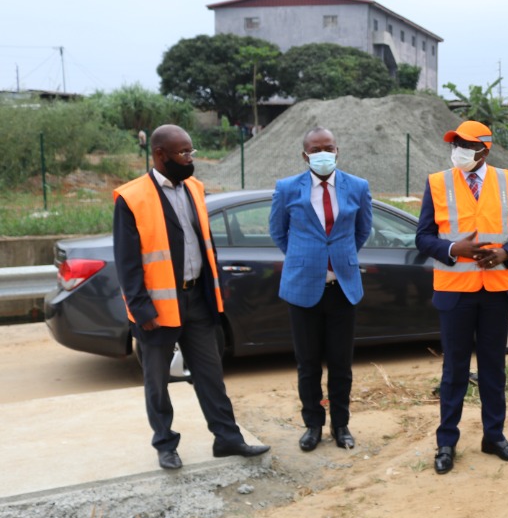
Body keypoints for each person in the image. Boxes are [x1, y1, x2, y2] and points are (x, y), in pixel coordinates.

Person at [113, 125, 270, 470]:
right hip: (157, 308)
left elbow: (203, 245)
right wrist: (141, 308)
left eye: (191, 151)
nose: (190, 158)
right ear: (159, 155)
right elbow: (127, 261)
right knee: (157, 381)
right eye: (183, 153)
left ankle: (227, 439)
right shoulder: (132, 197)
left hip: (197, 299)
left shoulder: (195, 189)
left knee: (210, 373)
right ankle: (165, 445)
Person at [415, 120, 508, 475]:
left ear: (485, 148)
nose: (458, 151)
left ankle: (494, 436)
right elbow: (423, 237)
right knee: (454, 370)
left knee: (493, 369)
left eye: (466, 144)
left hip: (498, 290)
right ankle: (446, 441)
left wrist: (506, 253)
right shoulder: (438, 182)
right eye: (455, 144)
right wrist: (455, 247)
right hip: (455, 292)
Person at [269, 126, 373, 452]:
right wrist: (306, 259)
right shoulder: (287, 189)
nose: (322, 153)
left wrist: (337, 257)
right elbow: (278, 232)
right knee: (308, 364)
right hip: (303, 290)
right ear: (305, 155)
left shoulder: (357, 187)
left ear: (337, 150)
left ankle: (341, 426)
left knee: (341, 364)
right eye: (316, 149)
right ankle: (313, 425)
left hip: (342, 288)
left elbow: (362, 231)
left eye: (328, 147)